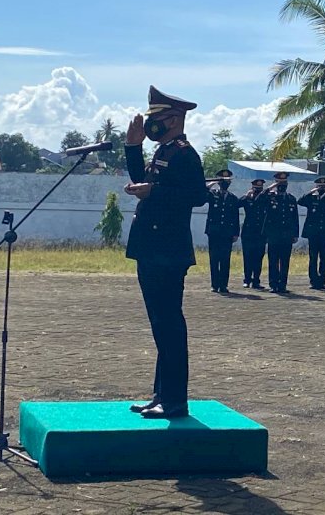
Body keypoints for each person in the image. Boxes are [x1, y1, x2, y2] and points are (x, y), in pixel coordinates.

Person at [123, 85, 208, 419]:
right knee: (160, 324)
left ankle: (174, 400)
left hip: (168, 251)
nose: (151, 125)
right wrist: (132, 147)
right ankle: (161, 394)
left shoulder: (185, 153)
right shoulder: (162, 152)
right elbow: (143, 183)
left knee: (169, 324)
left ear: (175, 119)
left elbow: (197, 195)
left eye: (157, 119)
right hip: (151, 247)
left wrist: (154, 191)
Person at [258, 172, 299, 293]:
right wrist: (270, 188)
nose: (282, 185)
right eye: (280, 183)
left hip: (287, 236)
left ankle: (283, 285)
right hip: (273, 235)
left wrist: (295, 234)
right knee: (273, 261)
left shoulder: (291, 199)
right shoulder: (270, 197)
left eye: (284, 182)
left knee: (285, 262)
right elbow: (259, 200)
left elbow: (295, 218)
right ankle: (273, 284)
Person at [205, 169, 240, 293]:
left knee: (225, 259)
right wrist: (212, 183)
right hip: (214, 232)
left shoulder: (233, 198)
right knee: (214, 259)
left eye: (227, 180)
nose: (225, 183)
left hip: (227, 233)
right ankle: (215, 284)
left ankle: (223, 285)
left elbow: (236, 216)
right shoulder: (212, 194)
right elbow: (201, 195)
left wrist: (236, 233)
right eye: (222, 180)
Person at [298, 176, 325, 290]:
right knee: (313, 258)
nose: (322, 188)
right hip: (313, 234)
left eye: (324, 186)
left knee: (324, 258)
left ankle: (322, 281)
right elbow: (300, 201)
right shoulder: (311, 198)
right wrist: (311, 192)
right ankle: (313, 281)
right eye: (320, 186)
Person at [238, 179, 267, 289]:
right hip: (248, 232)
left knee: (259, 257)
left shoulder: (265, 198)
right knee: (247, 256)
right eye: (256, 188)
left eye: (260, 188)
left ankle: (256, 281)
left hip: (261, 232)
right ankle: (247, 280)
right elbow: (237, 204)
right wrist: (246, 196)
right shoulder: (248, 198)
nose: (258, 190)